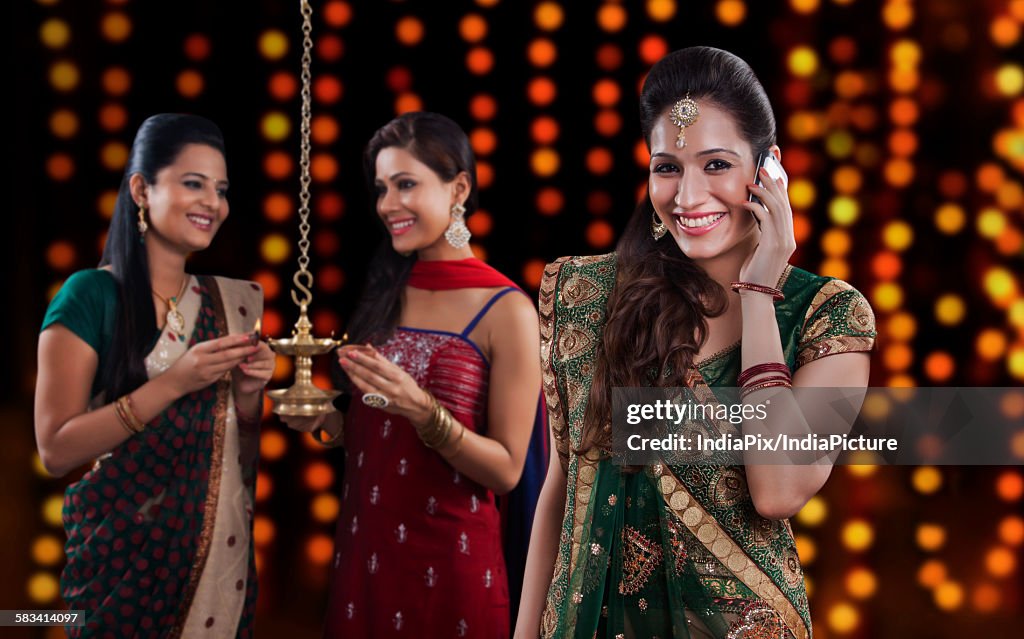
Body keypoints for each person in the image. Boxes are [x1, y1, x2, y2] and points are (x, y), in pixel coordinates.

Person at [515, 47, 877, 639]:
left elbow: (778, 489)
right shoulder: (588, 294)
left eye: (715, 165)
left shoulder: (827, 317)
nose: (687, 197)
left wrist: (759, 290)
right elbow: (563, 489)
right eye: (667, 167)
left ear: (768, 170)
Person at [281, 111, 546, 638]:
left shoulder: (507, 310)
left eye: (406, 184)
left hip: (453, 569)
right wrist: (322, 418)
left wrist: (425, 411)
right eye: (382, 188)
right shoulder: (386, 293)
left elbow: (509, 470)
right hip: (366, 558)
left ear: (458, 189)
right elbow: (374, 430)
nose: (387, 205)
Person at [34, 114, 275, 638]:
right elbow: (54, 450)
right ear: (142, 190)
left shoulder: (228, 305)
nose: (213, 202)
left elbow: (233, 463)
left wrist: (250, 396)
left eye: (221, 189)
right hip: (116, 579)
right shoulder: (90, 296)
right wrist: (172, 383)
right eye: (193, 183)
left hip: (216, 575)